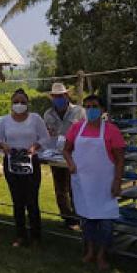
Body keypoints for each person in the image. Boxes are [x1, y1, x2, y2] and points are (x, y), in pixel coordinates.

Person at [62, 95, 125, 270]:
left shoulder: (112, 131)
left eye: (94, 106)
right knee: (87, 220)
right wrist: (71, 164)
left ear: (103, 110)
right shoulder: (76, 128)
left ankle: (102, 255)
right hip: (83, 183)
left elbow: (120, 159)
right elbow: (66, 150)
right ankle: (89, 251)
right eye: (87, 106)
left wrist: (117, 181)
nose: (91, 110)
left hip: (104, 184)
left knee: (105, 222)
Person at [0, 89, 49, 247]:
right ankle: (20, 235)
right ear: (11, 104)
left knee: (32, 200)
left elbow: (45, 137)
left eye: (23, 102)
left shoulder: (35, 119)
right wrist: (2, 145)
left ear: (28, 104)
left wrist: (35, 146)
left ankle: (36, 236)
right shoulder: (5, 120)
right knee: (17, 200)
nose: (19, 105)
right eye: (16, 102)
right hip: (11, 162)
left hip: (31, 162)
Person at [43, 83, 85, 230]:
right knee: (60, 188)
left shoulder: (79, 112)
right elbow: (46, 134)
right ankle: (68, 220)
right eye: (55, 96)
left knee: (76, 187)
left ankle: (81, 217)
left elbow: (86, 131)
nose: (58, 99)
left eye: (60, 96)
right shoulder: (48, 114)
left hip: (75, 155)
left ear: (66, 96)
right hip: (56, 155)